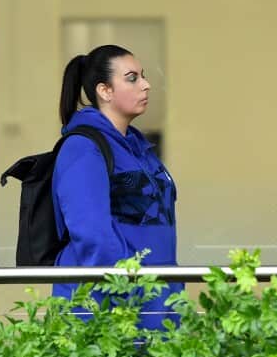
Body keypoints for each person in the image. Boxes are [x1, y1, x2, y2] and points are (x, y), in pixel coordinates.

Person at [52, 45, 181, 330]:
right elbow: (92, 235)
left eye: (143, 76)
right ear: (105, 91)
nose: (146, 85)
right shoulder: (83, 147)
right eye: (132, 78)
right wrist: (132, 294)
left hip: (155, 304)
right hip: (112, 309)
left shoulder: (137, 148)